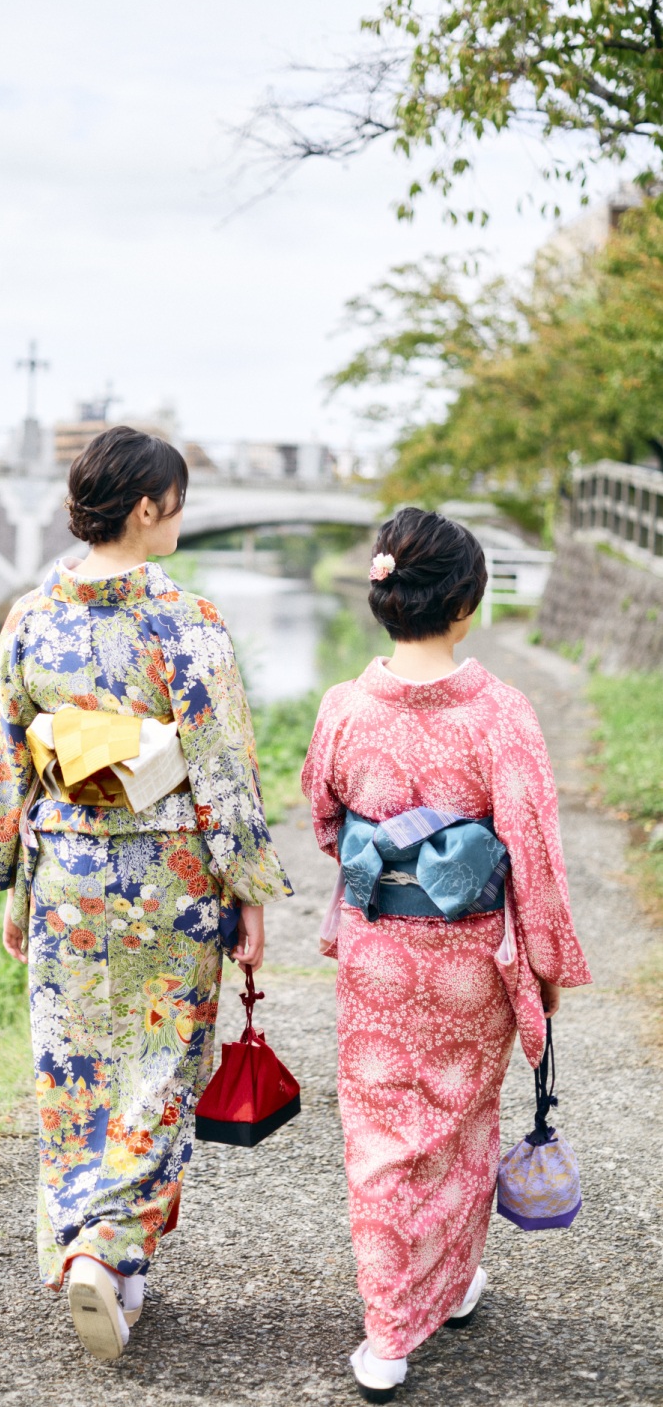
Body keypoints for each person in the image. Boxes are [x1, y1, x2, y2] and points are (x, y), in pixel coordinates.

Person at [0, 424, 292, 1361]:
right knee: (158, 1065)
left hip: (65, 868)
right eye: (176, 499)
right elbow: (222, 769)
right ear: (147, 508)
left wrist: (6, 881)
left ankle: (96, 1257)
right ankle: (110, 1251)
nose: (181, 514)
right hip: (169, 874)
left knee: (71, 1069)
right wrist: (248, 890)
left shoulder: (30, 617)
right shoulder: (186, 620)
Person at [301, 507, 591, 1404]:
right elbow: (532, 853)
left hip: (377, 951)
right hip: (469, 959)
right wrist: (544, 966)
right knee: (462, 1124)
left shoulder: (344, 707)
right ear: (466, 604)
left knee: (381, 1135)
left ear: (384, 598)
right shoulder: (499, 711)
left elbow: (323, 818)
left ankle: (386, 1326)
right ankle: (441, 1286)